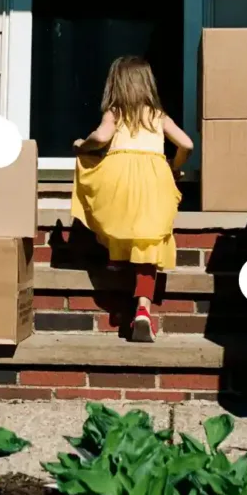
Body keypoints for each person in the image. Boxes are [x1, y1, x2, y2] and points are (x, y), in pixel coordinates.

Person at [71, 56, 194, 343]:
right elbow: (187, 143)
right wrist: (175, 165)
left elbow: (100, 138)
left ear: (115, 84)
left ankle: (116, 257)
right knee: (149, 240)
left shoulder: (115, 112)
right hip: (155, 177)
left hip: (118, 175)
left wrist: (82, 146)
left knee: (117, 209)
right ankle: (143, 310)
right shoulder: (158, 115)